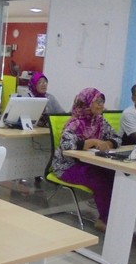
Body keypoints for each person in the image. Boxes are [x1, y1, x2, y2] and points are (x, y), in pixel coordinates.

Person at [51, 88, 121, 232]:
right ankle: (103, 220)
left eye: (102, 101)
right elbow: (66, 146)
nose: (101, 105)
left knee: (114, 174)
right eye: (97, 101)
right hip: (67, 166)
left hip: (89, 163)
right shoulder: (75, 122)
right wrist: (93, 142)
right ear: (87, 103)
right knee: (99, 180)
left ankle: (115, 217)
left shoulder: (100, 121)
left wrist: (107, 143)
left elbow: (117, 138)